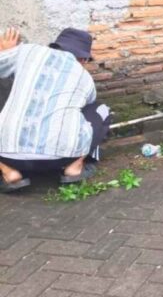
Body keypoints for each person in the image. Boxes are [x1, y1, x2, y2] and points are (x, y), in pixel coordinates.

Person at [0, 27, 111, 192]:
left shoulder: (28, 52)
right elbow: (88, 102)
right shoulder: (84, 76)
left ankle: (9, 173)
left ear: (55, 46)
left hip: (7, 155)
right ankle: (74, 168)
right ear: (83, 59)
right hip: (62, 157)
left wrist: (7, 52)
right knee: (99, 109)